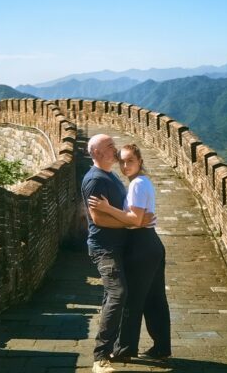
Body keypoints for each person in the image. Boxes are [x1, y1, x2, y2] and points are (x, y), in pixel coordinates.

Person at [89, 143, 171, 361]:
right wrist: (136, 221)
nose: (125, 166)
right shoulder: (143, 182)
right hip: (152, 245)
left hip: (141, 246)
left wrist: (107, 209)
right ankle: (162, 347)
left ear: (140, 162)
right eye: (122, 161)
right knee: (155, 298)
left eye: (130, 161)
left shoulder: (136, 185)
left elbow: (134, 220)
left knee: (132, 300)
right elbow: (138, 219)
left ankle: (125, 349)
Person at [81, 135, 154, 373]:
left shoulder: (110, 175)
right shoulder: (95, 180)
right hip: (105, 248)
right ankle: (100, 358)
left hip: (118, 246)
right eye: (110, 146)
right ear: (97, 153)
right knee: (117, 292)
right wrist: (134, 224)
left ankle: (113, 349)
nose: (114, 149)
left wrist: (135, 222)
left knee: (113, 296)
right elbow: (98, 218)